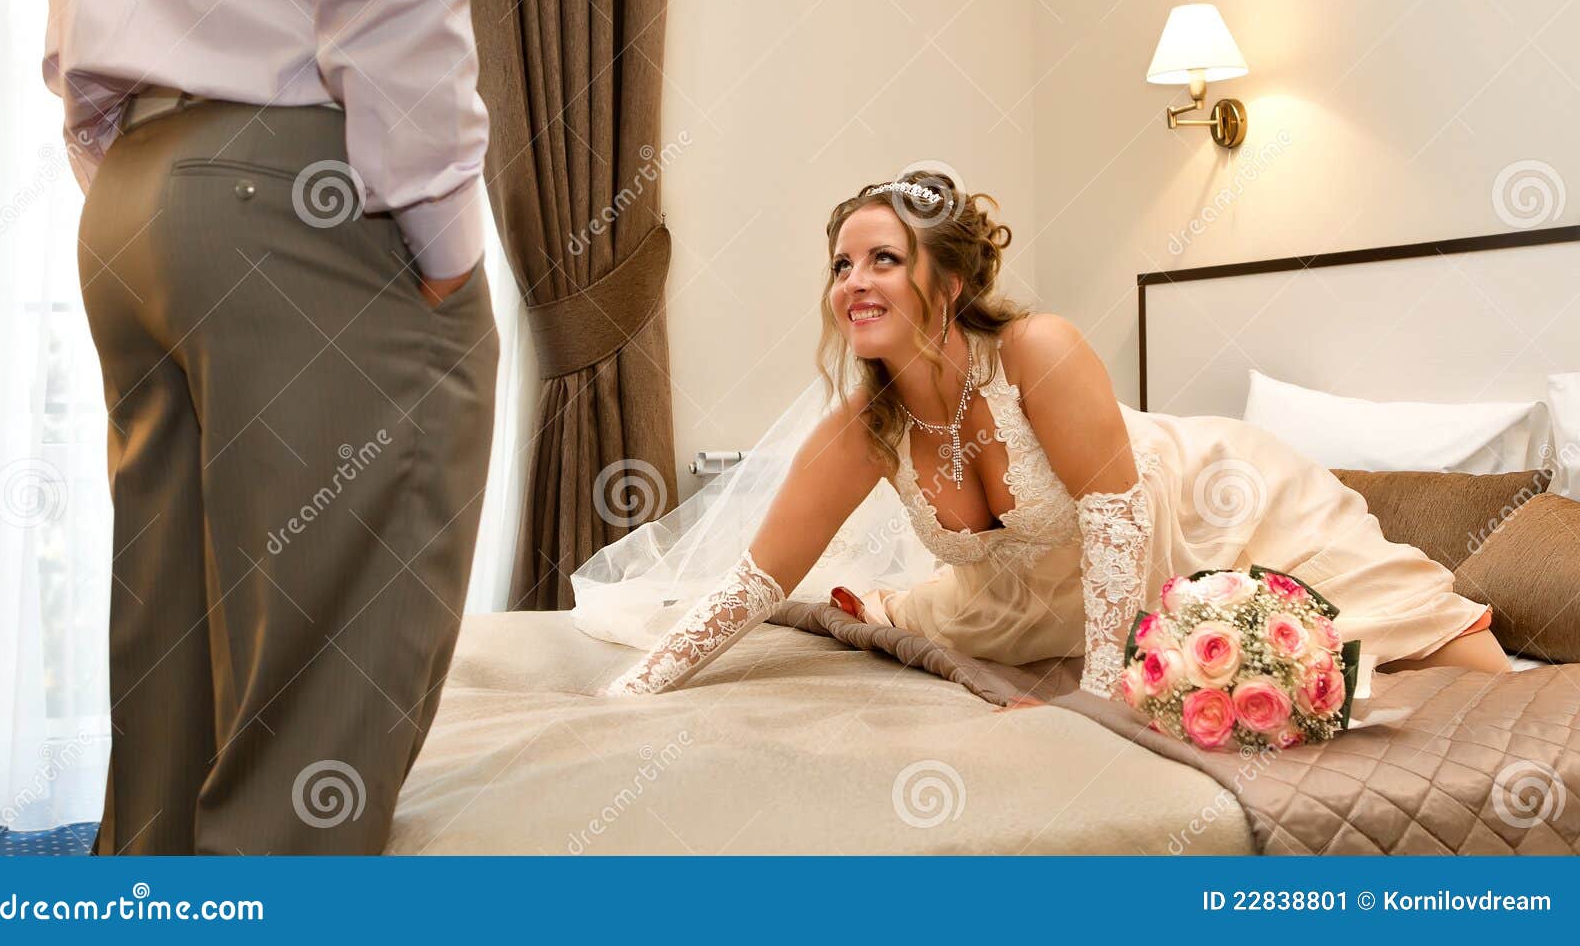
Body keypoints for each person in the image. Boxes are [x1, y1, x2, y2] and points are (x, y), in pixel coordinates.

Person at [34, 0, 498, 852]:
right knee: (301, 775)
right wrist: (442, 232)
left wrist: (134, 178)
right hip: (302, 198)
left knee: (167, 742)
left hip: (140, 194)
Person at [579, 172, 1506, 697]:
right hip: (1028, 594)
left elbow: (1114, 522)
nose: (853, 282)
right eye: (841, 264)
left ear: (946, 283)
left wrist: (1102, 696)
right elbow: (760, 577)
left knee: (1452, 651)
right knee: (908, 609)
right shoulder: (866, 421)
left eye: (883, 260)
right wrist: (645, 686)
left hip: (1211, 510)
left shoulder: (1036, 350)